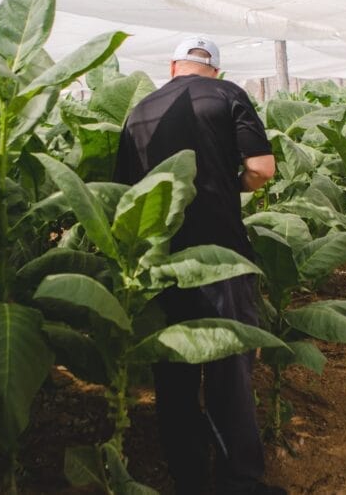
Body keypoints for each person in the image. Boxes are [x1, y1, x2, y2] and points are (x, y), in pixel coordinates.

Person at [114, 37, 283, 495]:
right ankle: (240, 483)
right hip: (220, 256)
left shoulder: (140, 110)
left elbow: (123, 192)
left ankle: (188, 478)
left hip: (161, 259)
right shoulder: (229, 96)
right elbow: (262, 168)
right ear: (216, 70)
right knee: (230, 370)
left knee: (175, 373)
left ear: (173, 66)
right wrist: (230, 186)